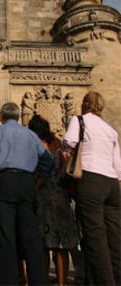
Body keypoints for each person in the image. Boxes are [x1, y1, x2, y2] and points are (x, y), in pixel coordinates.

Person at [0, 102, 54, 286]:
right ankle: (38, 281)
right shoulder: (31, 135)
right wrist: (36, 183)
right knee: (30, 237)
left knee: (4, 237)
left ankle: (7, 281)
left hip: (4, 182)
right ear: (18, 117)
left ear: (2, 116)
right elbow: (47, 162)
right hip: (26, 183)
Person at [63, 91, 121, 285]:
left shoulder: (80, 120)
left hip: (90, 179)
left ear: (85, 104)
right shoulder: (110, 130)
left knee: (96, 238)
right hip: (112, 184)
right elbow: (118, 165)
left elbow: (69, 142)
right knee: (115, 237)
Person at [28, 114, 78, 286]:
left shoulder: (35, 147)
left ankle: (41, 280)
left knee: (43, 244)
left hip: (42, 199)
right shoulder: (57, 145)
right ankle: (62, 282)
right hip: (61, 199)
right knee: (61, 245)